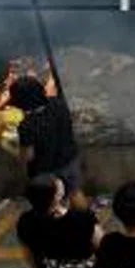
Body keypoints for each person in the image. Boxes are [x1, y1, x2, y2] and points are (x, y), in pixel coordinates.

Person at [9, 75, 83, 206]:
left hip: (47, 171)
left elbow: (28, 155)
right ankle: (87, 221)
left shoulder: (27, 125)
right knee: (75, 192)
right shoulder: (58, 103)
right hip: (70, 159)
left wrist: (17, 153)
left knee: (53, 203)